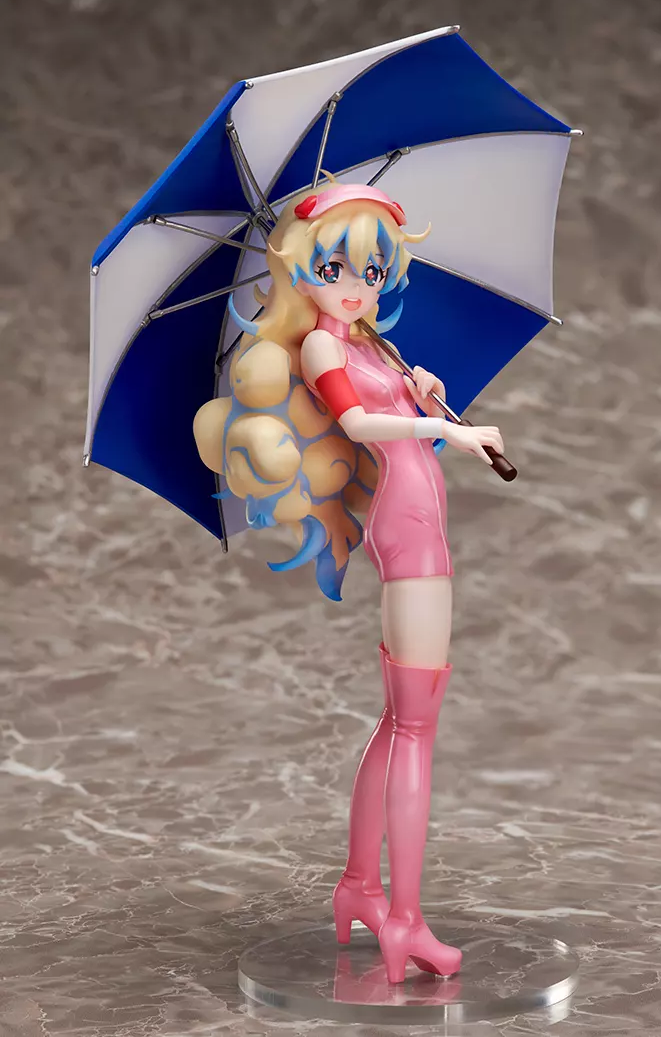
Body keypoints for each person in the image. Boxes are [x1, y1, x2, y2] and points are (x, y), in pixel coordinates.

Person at [193, 179, 504, 984]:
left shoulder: (369, 345)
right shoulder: (323, 349)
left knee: (401, 720)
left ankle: (361, 886)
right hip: (406, 529)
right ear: (301, 269)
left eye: (371, 269)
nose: (357, 284)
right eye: (334, 269)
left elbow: (392, 420)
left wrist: (426, 394)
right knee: (418, 727)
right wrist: (440, 428)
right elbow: (360, 426)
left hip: (419, 516)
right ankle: (406, 919)